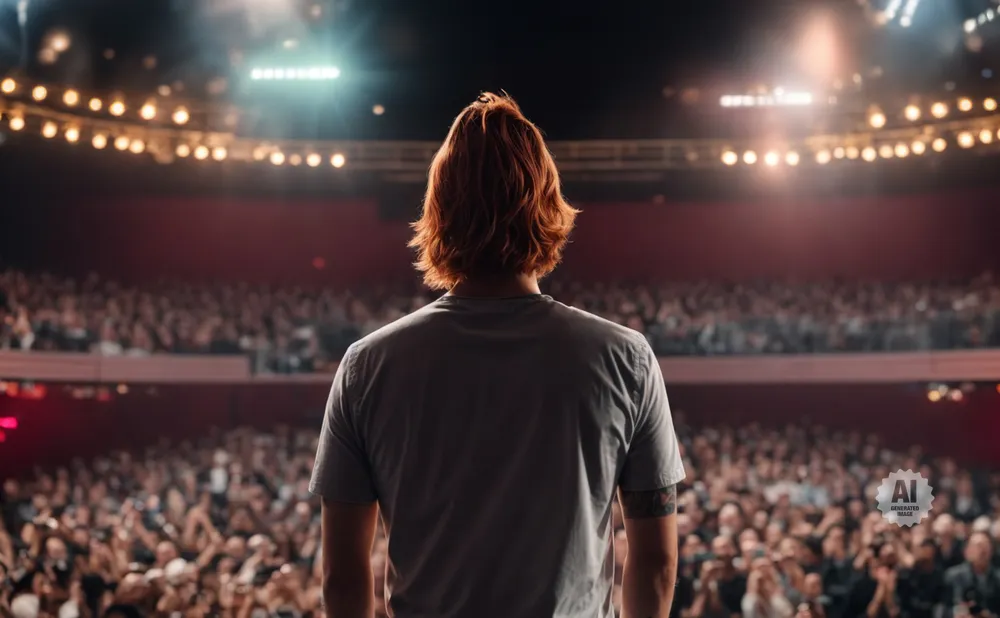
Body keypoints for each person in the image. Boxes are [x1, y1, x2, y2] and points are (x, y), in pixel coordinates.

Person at [309, 92, 685, 618]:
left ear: (438, 212)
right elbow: (656, 563)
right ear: (548, 206)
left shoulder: (366, 367)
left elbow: (343, 580)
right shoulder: (626, 358)